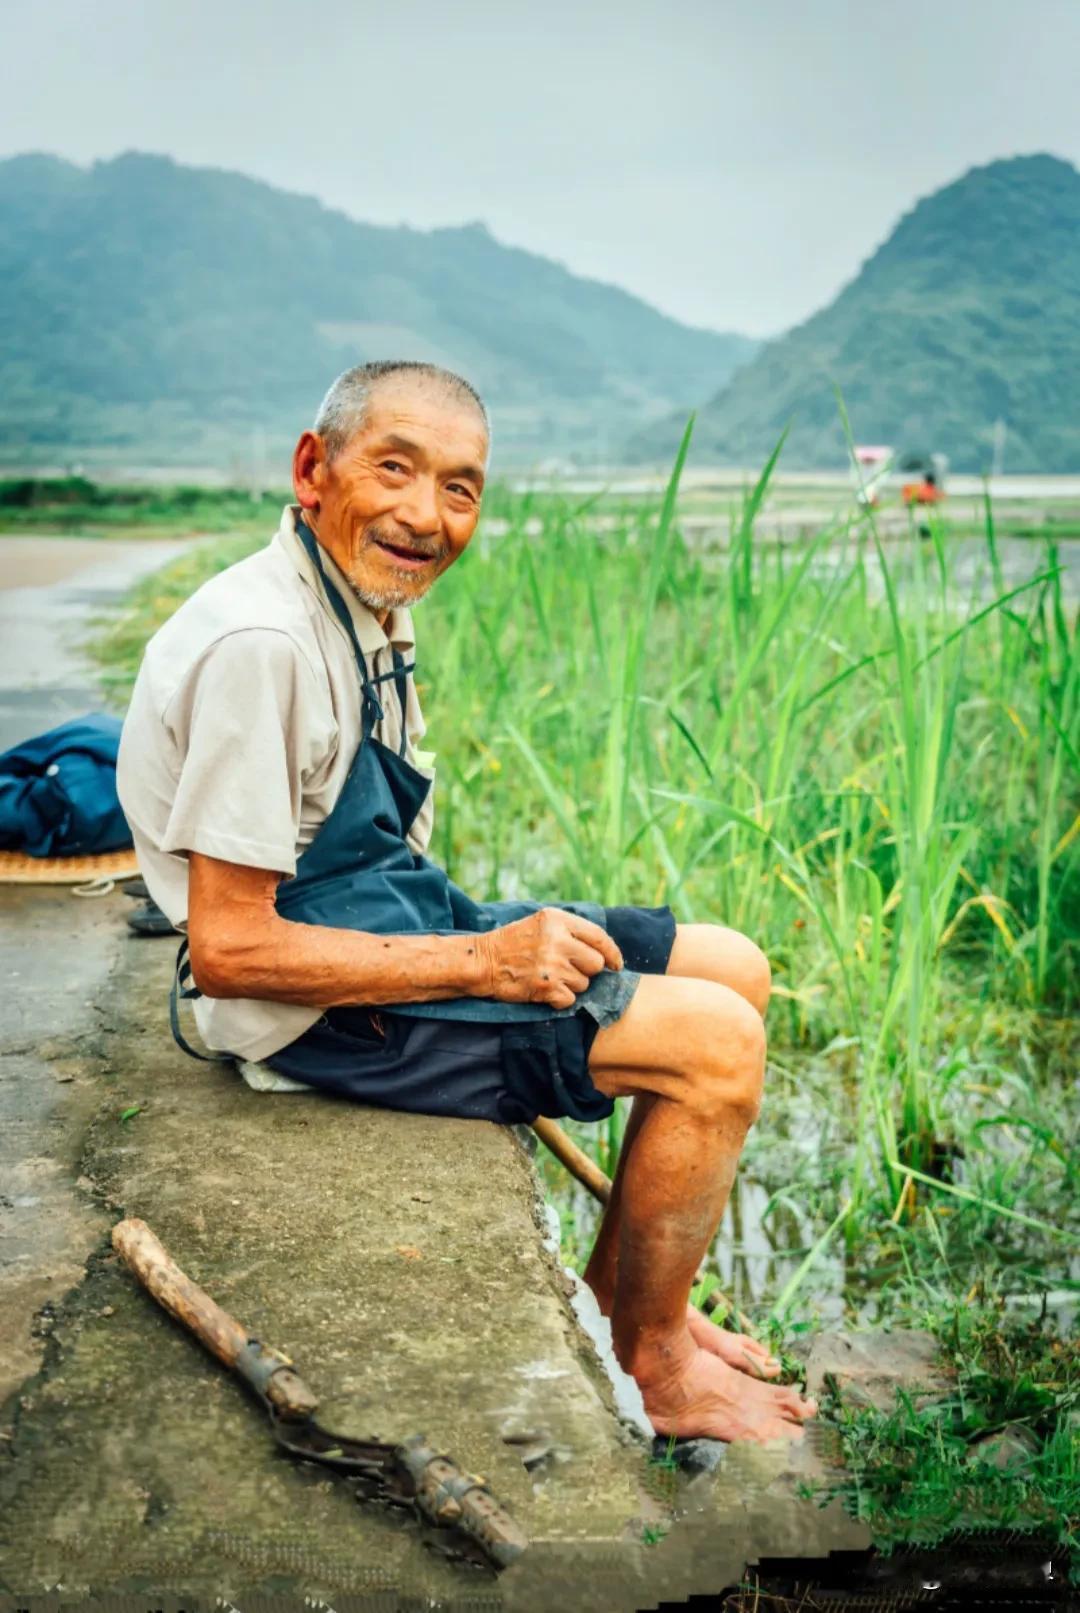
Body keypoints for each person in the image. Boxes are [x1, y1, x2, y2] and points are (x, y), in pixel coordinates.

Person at [117, 360, 817, 1443]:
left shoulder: (357, 598)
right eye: (393, 469)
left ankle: (623, 1314)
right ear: (313, 469)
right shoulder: (264, 646)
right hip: (313, 1009)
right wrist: (487, 964)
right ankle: (659, 1363)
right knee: (715, 1044)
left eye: (459, 487)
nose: (425, 515)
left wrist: (478, 942)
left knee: (733, 964)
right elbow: (229, 950)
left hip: (387, 917)